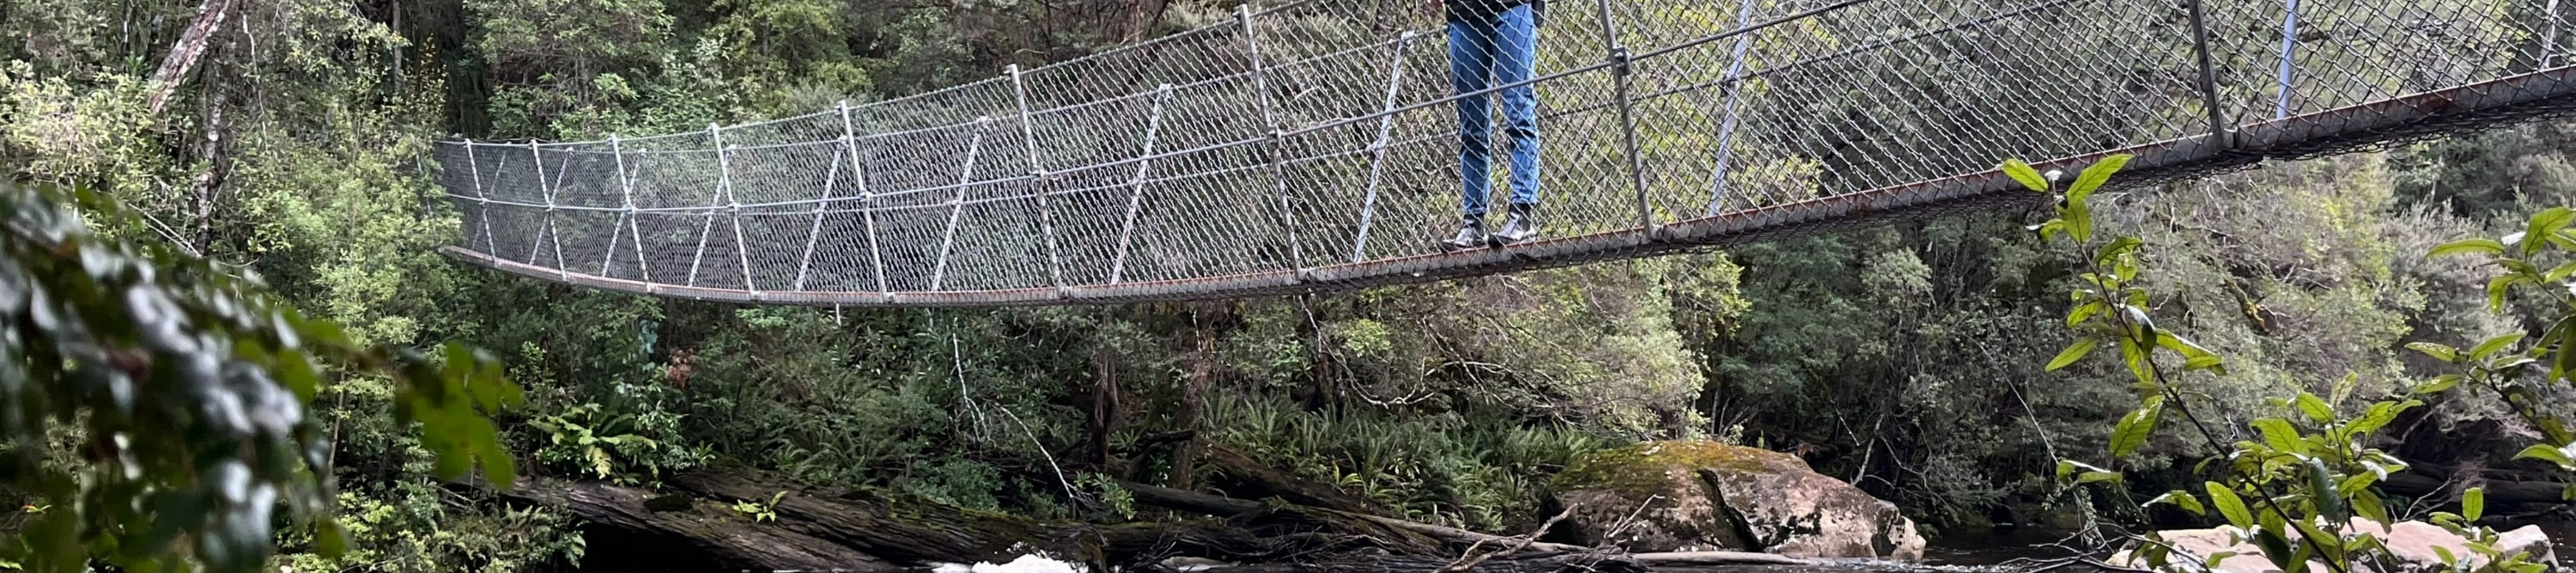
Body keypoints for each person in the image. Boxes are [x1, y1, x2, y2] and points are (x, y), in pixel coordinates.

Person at [1432, 0, 1545, 252]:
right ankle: (1473, 223)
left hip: (1511, 6)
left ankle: (1522, 216)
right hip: (1464, 13)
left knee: (1519, 113)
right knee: (1471, 126)